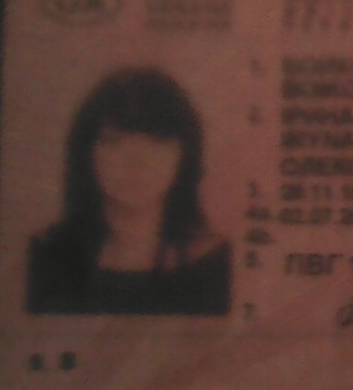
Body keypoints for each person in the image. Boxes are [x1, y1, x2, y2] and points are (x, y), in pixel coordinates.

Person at [27, 67, 231, 315]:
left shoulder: (216, 262)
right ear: (85, 154)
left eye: (157, 141)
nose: (136, 162)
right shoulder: (47, 257)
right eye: (114, 141)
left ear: (186, 156)